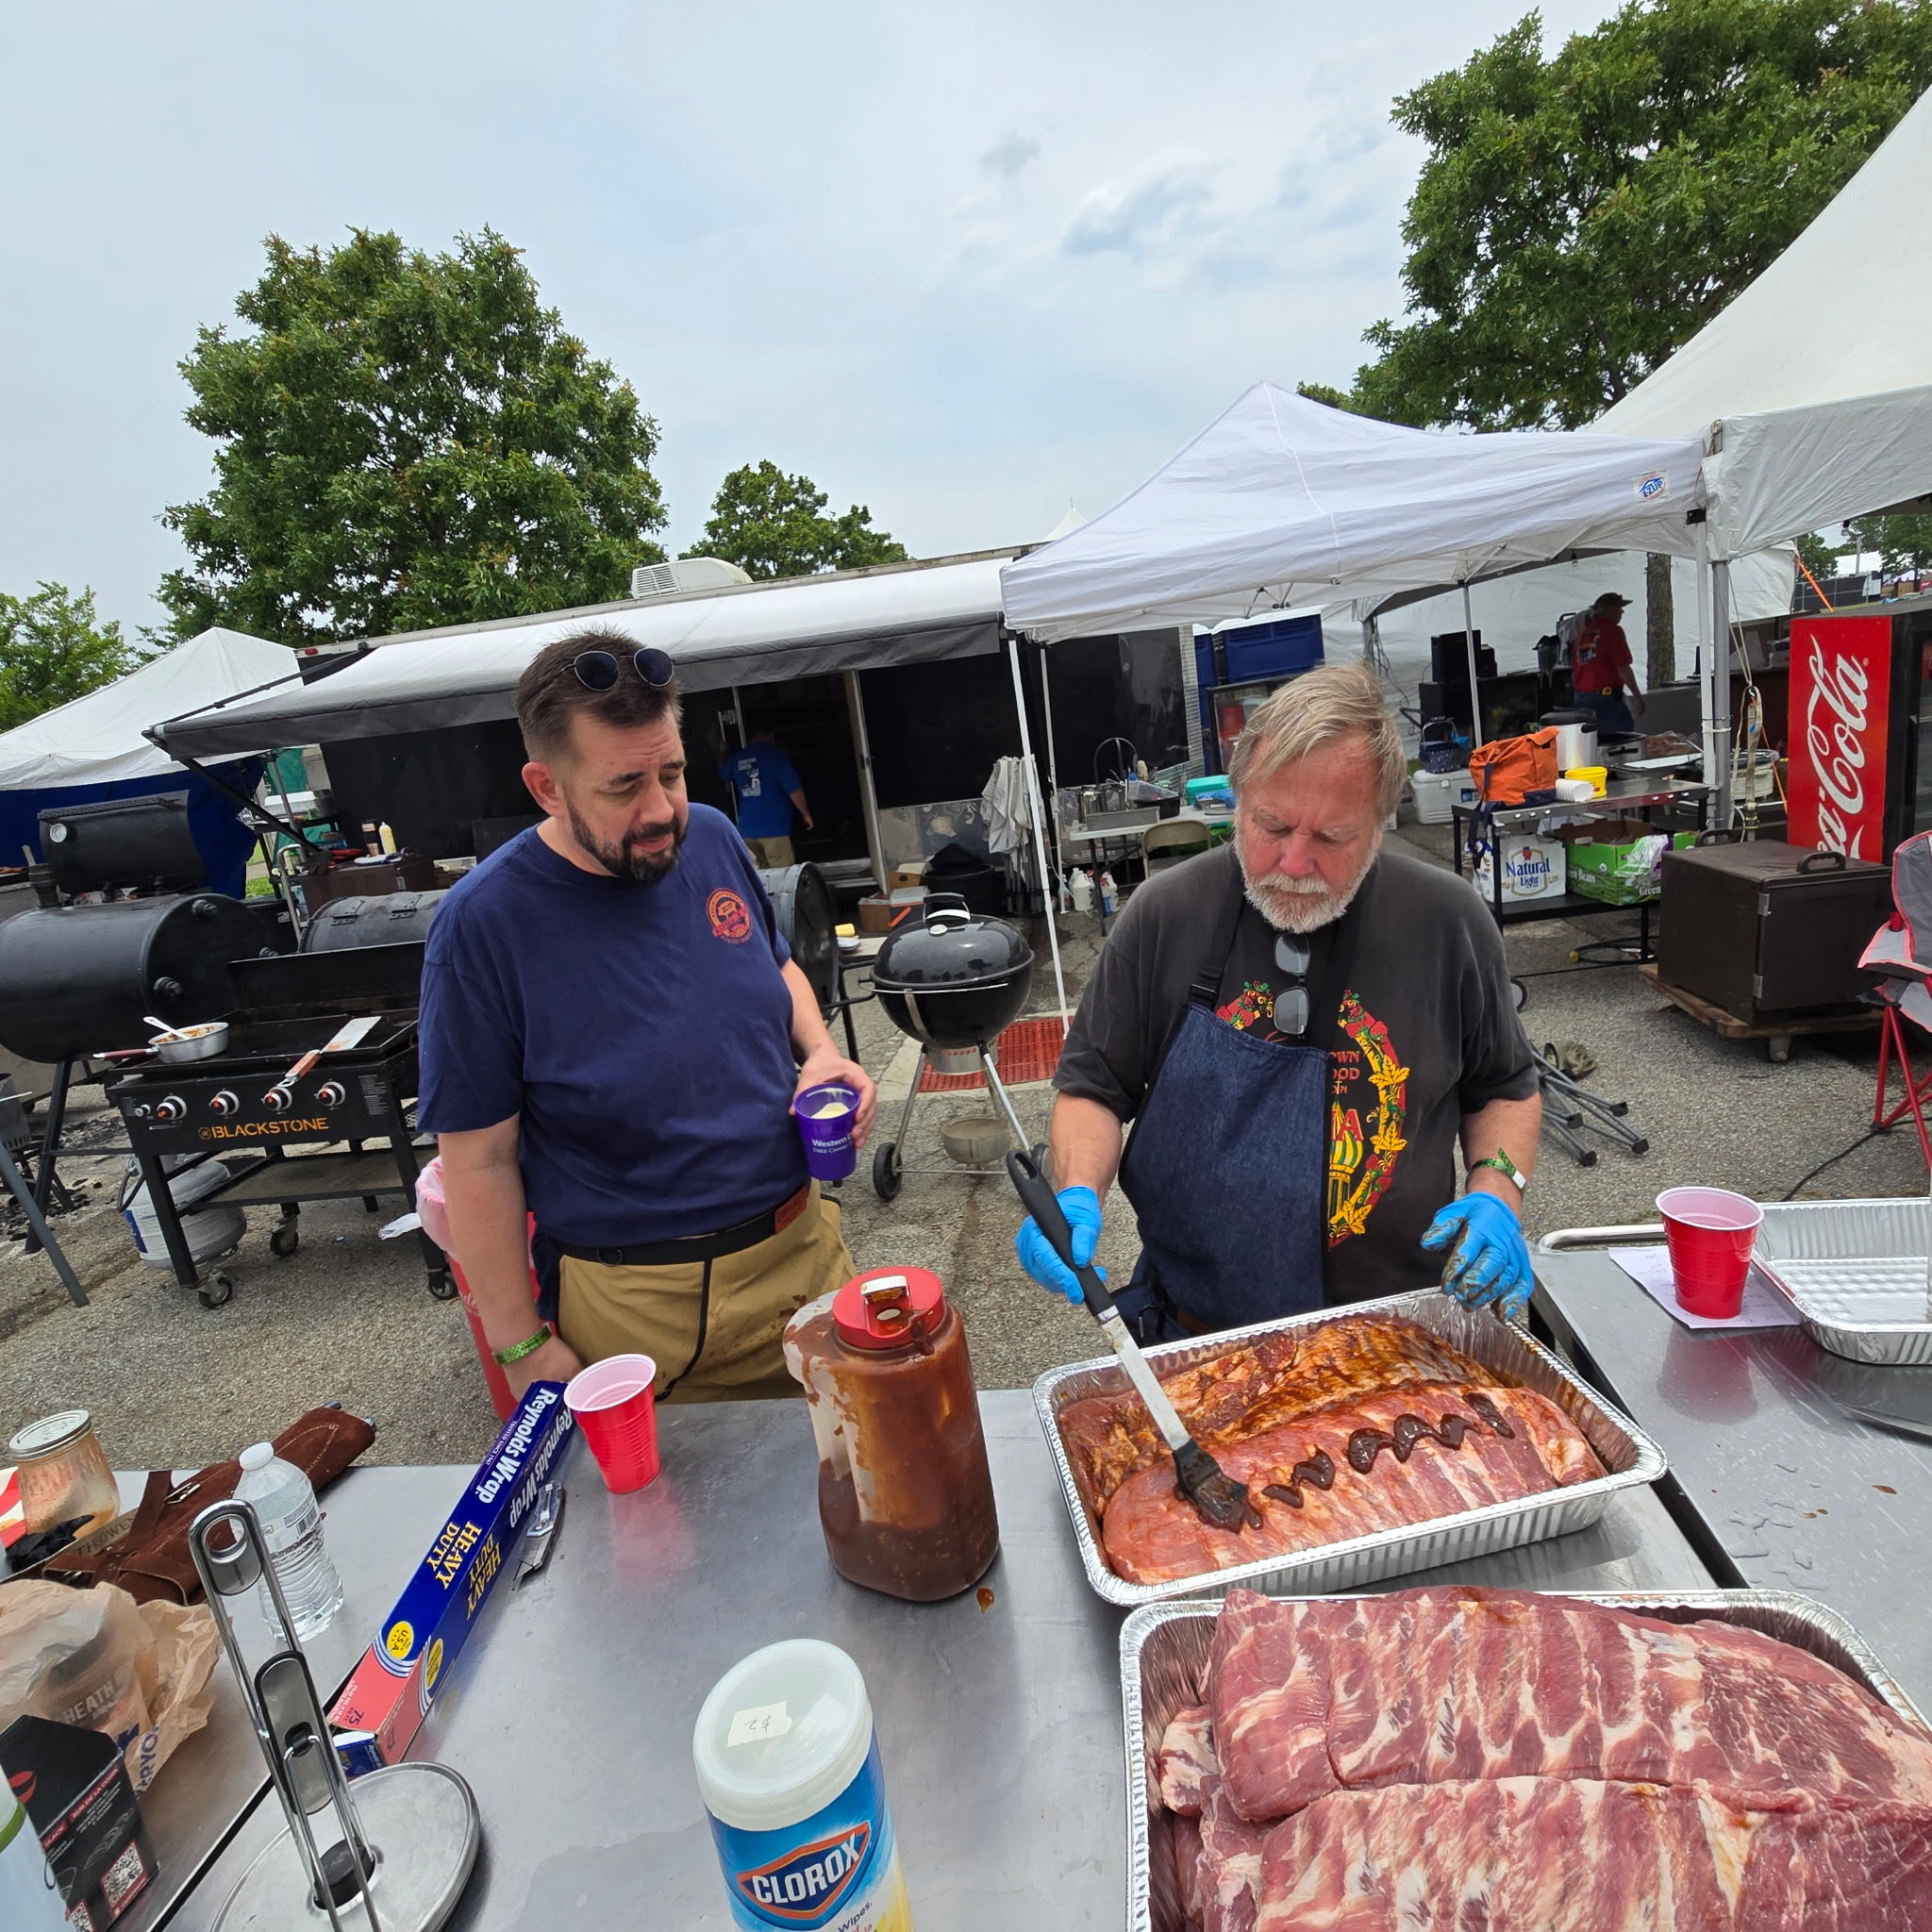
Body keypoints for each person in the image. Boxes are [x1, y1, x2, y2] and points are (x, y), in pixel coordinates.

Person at [419, 629, 876, 1404]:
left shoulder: (715, 839)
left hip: (803, 1248)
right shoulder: (483, 923)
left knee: (854, 1465)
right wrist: (519, 1343)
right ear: (547, 787)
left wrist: (822, 1052)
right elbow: (478, 1160)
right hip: (639, 1304)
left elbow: (776, 965)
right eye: (624, 786)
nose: (661, 809)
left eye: (672, 772)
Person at [1015, 662, 1541, 1334]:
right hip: (1201, 1335)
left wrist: (1498, 1190)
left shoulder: (1447, 921)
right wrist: (1076, 1192)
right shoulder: (1164, 915)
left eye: (1331, 837)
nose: (1293, 863)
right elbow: (1093, 1088)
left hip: (1401, 1331)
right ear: (1238, 801)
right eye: (1270, 826)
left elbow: (1504, 1087)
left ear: (1380, 825)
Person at [719, 729, 813, 867]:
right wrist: (806, 814)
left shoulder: (737, 759)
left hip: (748, 832)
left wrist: (724, 755)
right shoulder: (775, 757)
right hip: (775, 830)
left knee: (762, 875)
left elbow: (723, 774)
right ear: (770, 736)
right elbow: (794, 789)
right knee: (782, 874)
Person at [1571, 591, 1646, 737]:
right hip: (1606, 702)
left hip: (1582, 701)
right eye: (1620, 608)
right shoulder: (1613, 631)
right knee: (1622, 742)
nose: (1622, 612)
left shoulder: (1581, 637)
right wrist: (1637, 696)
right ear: (1611, 609)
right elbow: (1622, 667)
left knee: (1591, 744)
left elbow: (1575, 673)